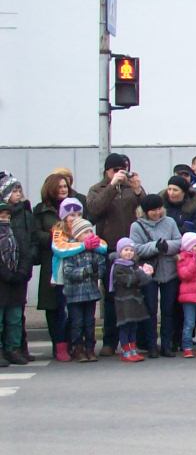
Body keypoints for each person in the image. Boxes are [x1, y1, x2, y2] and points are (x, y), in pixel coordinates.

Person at [85, 153, 143, 356]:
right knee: (110, 295)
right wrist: (112, 186)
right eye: (116, 170)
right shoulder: (97, 189)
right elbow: (93, 210)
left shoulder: (130, 187)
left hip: (131, 248)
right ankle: (110, 340)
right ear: (107, 171)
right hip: (109, 248)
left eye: (123, 170)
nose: (120, 173)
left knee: (134, 293)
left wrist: (138, 190)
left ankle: (134, 340)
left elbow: (147, 209)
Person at [53, 204, 108, 362]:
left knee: (90, 322)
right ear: (77, 235)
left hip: (91, 292)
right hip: (74, 293)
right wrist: (87, 271)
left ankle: (90, 348)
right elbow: (68, 272)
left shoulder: (94, 249)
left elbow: (101, 266)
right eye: (85, 232)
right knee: (77, 322)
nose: (89, 234)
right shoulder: (71, 250)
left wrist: (97, 271)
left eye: (90, 231)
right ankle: (78, 347)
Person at [131, 193, 182, 357]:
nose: (157, 212)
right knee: (150, 309)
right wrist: (154, 247)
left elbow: (179, 242)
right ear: (146, 211)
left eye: (159, 209)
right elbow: (136, 248)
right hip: (149, 272)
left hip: (169, 271)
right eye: (153, 210)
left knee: (168, 310)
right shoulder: (137, 226)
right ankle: (151, 345)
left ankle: (167, 345)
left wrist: (166, 246)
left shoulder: (170, 222)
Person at [33, 173, 72, 361]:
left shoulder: (73, 206)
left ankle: (72, 343)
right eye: (59, 187)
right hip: (51, 262)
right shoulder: (41, 210)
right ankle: (58, 344)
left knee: (71, 305)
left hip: (71, 260)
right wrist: (55, 236)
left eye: (65, 186)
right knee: (53, 306)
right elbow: (35, 234)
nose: (63, 190)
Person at [0, 195, 34, 365]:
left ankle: (13, 349)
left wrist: (21, 272)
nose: (5, 218)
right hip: (2, 283)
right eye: (1, 215)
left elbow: (26, 253)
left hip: (16, 283)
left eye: (7, 215)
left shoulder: (17, 233)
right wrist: (6, 273)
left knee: (15, 319)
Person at [107, 237, 151, 363]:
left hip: (135, 300)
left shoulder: (134, 265)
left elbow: (144, 281)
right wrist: (139, 274)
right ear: (120, 251)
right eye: (126, 250)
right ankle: (126, 350)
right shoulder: (118, 267)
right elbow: (127, 281)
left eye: (131, 250)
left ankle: (133, 349)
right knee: (125, 326)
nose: (129, 252)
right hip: (123, 301)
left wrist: (146, 273)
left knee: (133, 326)